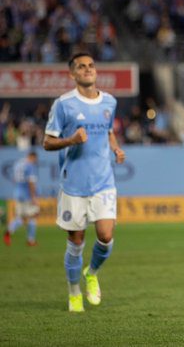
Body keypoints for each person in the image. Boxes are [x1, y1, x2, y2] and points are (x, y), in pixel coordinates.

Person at [43, 52, 125, 312]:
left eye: (91, 65)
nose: (88, 69)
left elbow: (108, 130)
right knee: (76, 242)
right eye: (81, 67)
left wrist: (115, 148)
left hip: (103, 180)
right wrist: (71, 140)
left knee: (106, 235)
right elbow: (47, 142)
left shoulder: (110, 102)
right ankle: (73, 291)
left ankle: (92, 273)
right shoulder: (63, 104)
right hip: (74, 184)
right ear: (73, 74)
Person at [4, 151, 40, 247]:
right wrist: (33, 197)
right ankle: (31, 240)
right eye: (35, 159)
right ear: (32, 157)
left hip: (18, 193)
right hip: (27, 195)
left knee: (21, 218)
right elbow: (31, 182)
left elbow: (14, 179)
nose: (35, 161)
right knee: (33, 215)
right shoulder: (30, 166)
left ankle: (9, 230)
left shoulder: (18, 164)